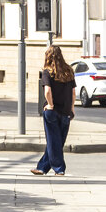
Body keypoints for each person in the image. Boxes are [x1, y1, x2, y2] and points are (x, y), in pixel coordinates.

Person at [32, 45, 76, 176]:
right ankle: (42, 168)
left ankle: (59, 168)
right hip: (66, 111)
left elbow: (47, 91)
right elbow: (73, 93)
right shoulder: (69, 71)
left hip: (52, 112)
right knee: (57, 141)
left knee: (53, 141)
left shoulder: (48, 71)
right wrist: (72, 108)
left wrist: (50, 104)